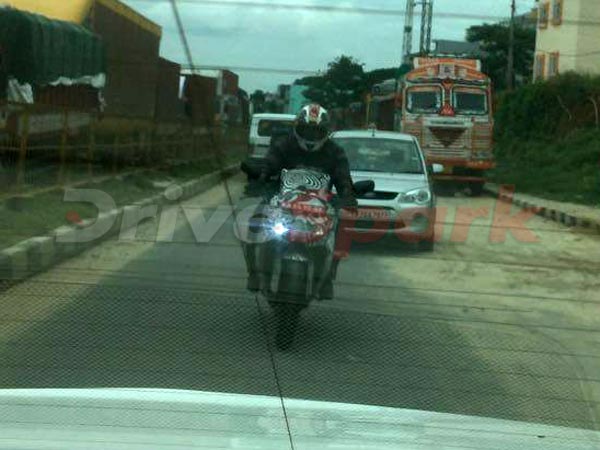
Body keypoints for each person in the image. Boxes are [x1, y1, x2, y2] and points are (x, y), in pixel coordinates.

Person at [244, 104, 357, 299]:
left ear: (325, 132)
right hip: (281, 199)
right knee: (255, 220)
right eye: (307, 130)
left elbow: (343, 176)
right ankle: (254, 272)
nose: (311, 136)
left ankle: (328, 276)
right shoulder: (284, 145)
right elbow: (270, 163)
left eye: (317, 131)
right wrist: (260, 177)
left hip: (321, 204)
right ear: (297, 128)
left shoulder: (335, 151)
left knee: (341, 227)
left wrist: (347, 194)